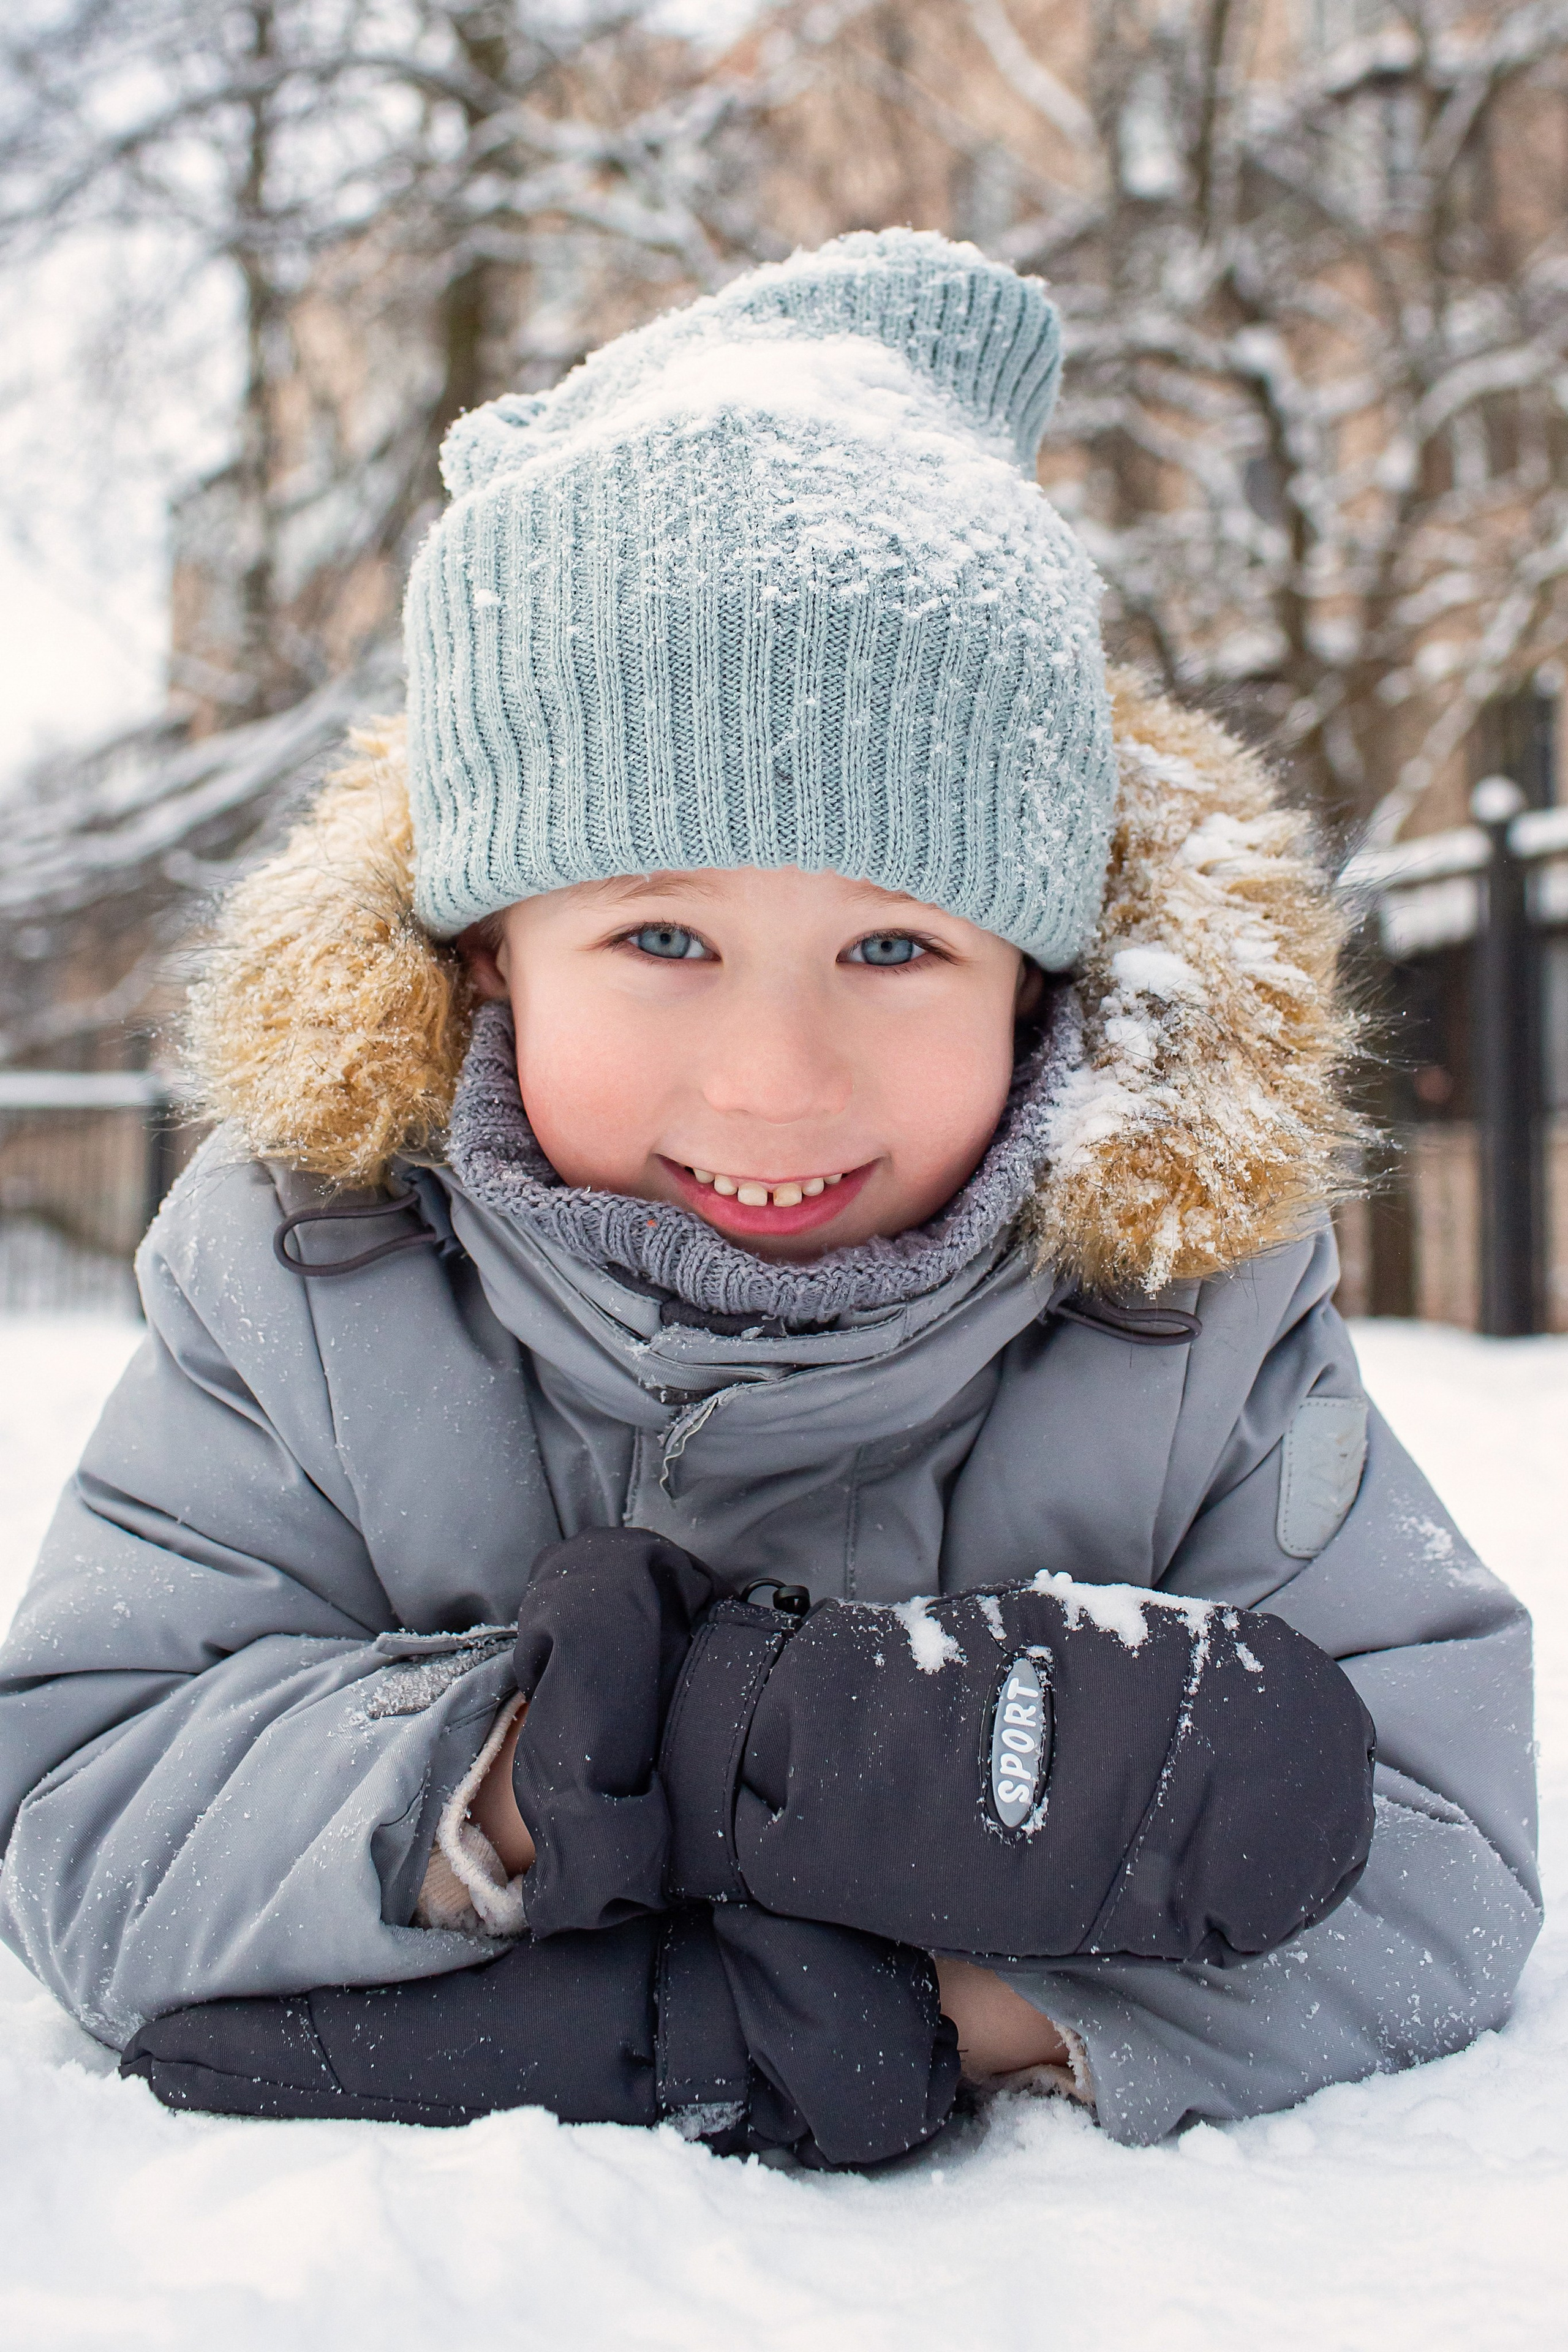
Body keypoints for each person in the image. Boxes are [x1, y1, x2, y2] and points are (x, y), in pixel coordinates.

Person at [0, 231, 1538, 2165]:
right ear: (489, 954)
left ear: (1038, 980)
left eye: (896, 948)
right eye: (664, 937)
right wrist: (558, 1772)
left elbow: (1441, 1858)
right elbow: (89, 1800)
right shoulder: (308, 1279)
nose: (776, 1080)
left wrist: (912, 2020)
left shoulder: (1185, 1319)